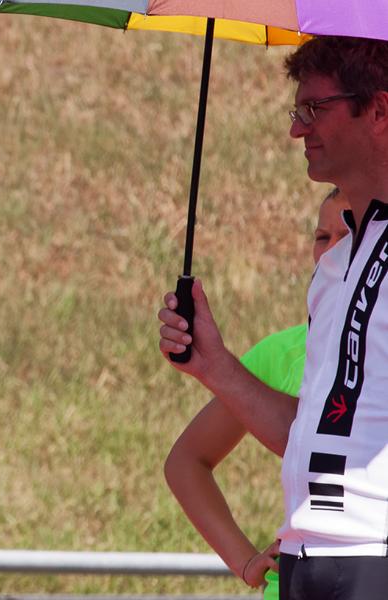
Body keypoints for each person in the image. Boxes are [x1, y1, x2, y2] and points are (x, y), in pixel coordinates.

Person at [158, 35, 388, 600]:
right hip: (308, 559)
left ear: (379, 110)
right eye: (297, 111)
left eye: (315, 109)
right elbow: (317, 430)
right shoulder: (335, 264)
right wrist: (214, 366)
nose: (297, 130)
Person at [164, 188, 349, 599]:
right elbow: (187, 461)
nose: (331, 251)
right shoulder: (284, 352)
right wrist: (246, 562)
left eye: (349, 235)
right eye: (322, 237)